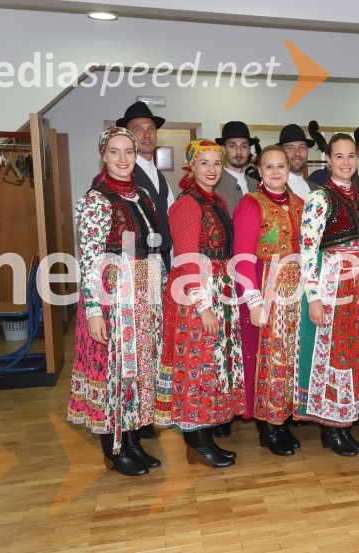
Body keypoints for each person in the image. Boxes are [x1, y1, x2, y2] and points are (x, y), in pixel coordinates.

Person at [67, 127, 165, 476]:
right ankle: (113, 449)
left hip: (144, 290)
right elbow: (91, 259)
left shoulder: (142, 195)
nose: (123, 159)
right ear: (103, 156)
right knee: (115, 370)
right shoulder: (94, 200)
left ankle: (134, 440)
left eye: (128, 152)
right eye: (114, 152)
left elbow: (152, 247)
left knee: (139, 369)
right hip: (112, 292)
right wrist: (94, 310)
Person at [154, 139, 245, 468]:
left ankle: (204, 436)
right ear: (190, 166)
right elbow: (187, 258)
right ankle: (196, 441)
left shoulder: (216, 199)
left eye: (216, 163)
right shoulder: (188, 204)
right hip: (195, 293)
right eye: (203, 163)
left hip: (217, 287)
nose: (211, 169)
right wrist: (203, 305)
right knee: (197, 368)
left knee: (212, 368)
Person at [297, 133, 359, 456]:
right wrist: (314, 296)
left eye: (351, 156)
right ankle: (331, 428)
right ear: (327, 160)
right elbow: (307, 249)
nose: (346, 163)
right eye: (339, 157)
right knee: (333, 353)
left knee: (354, 352)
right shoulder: (319, 198)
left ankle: (346, 419)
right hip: (333, 283)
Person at [232, 145, 305, 457]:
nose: (276, 172)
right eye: (269, 167)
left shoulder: (300, 203)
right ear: (258, 171)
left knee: (289, 357)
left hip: (295, 290)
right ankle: (268, 425)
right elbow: (243, 258)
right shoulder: (251, 204)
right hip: (265, 286)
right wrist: (253, 302)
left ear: (289, 170)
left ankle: (283, 417)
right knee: (266, 358)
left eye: (281, 167)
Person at [116, 101, 174, 273]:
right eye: (139, 129)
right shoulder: (121, 174)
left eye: (151, 129)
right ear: (128, 135)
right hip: (136, 265)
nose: (147, 135)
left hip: (163, 261)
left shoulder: (159, 175)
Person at [215, 121, 259, 216]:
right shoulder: (214, 185)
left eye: (244, 146)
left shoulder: (257, 185)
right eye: (232, 146)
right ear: (223, 149)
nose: (239, 151)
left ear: (249, 150)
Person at [277, 124, 316, 202]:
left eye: (302, 147)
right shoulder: (273, 189)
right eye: (290, 148)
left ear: (308, 151)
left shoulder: (316, 189)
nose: (297, 153)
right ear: (280, 152)